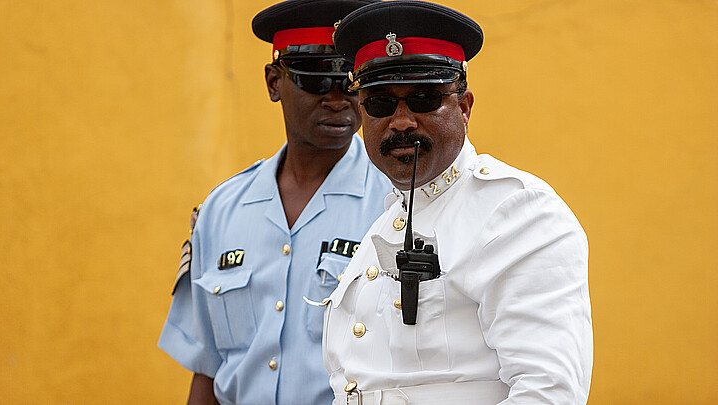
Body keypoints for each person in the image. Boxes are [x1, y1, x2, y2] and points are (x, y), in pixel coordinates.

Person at [321, 1, 593, 404]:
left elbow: (547, 393)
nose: (401, 121)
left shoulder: (517, 214)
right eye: (379, 103)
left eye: (425, 99)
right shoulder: (385, 225)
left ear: (463, 108)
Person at [158, 0, 391, 403]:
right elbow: (208, 371)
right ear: (273, 82)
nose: (337, 100)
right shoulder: (221, 210)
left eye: (350, 83)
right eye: (316, 81)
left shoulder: (394, 204)